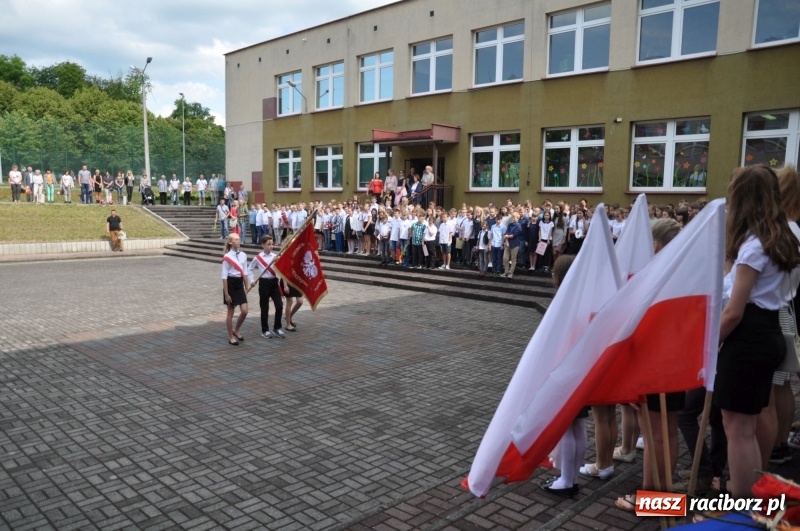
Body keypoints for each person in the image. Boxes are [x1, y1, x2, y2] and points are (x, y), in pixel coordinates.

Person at [716, 164, 800, 498]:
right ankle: (749, 503)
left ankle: (741, 507)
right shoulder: (780, 239)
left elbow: (734, 311)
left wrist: (708, 343)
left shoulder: (754, 246)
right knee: (745, 429)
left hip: (748, 337)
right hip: (766, 333)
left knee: (736, 429)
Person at [540, 255, 586, 498]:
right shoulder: (585, 299)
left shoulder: (565, 303)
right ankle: (572, 476)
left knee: (567, 427)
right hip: (581, 370)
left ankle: (567, 480)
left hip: (566, 371)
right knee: (578, 424)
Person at [248, 235, 285, 339]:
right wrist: (251, 280)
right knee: (264, 308)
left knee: (279, 305)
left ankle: (277, 328)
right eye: (268, 244)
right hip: (263, 283)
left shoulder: (275, 256)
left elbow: (281, 269)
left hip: (274, 283)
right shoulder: (258, 258)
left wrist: (278, 261)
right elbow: (249, 269)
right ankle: (265, 330)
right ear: (263, 245)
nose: (271, 246)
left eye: (272, 244)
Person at [221, 233, 249, 345]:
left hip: (239, 283)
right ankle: (230, 336)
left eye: (239, 239)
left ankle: (236, 330)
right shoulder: (227, 257)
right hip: (230, 283)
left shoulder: (243, 255)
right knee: (230, 311)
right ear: (230, 242)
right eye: (236, 240)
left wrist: (246, 286)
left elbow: (245, 272)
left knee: (245, 310)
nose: (239, 241)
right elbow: (224, 276)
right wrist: (227, 293)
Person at [502, 212, 523, 278]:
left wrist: (506, 237)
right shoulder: (510, 225)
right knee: (505, 258)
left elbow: (514, 235)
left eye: (514, 217)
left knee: (513, 259)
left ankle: (511, 273)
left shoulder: (518, 226)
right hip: (508, 244)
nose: (513, 218)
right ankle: (506, 272)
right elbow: (506, 233)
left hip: (515, 244)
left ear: (517, 218)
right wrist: (507, 241)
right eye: (512, 217)